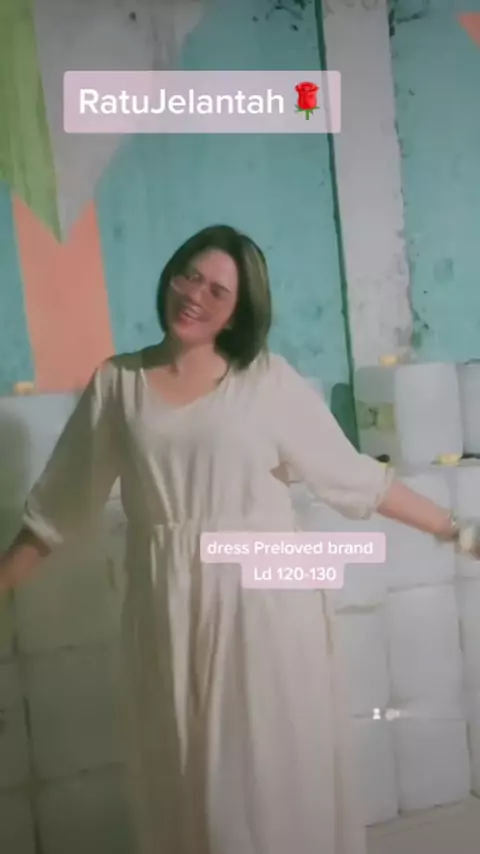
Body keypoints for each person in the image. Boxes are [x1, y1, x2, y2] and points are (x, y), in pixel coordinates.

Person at [0, 224, 478, 854]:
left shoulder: (266, 381)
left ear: (238, 311)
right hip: (168, 611)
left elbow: (358, 480)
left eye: (217, 291)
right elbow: (58, 508)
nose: (194, 295)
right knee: (186, 779)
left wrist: (457, 530)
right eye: (189, 276)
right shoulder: (118, 383)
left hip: (265, 610)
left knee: (268, 777)